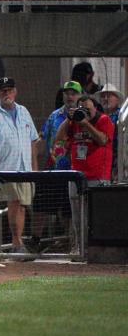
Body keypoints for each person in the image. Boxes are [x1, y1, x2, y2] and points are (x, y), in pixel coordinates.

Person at [0, 77, 39, 255]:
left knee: (21, 205)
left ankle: (16, 242)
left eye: (9, 89)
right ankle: (17, 242)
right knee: (15, 202)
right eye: (3, 90)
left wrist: (34, 166)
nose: (6, 93)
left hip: (25, 168)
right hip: (6, 167)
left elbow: (33, 140)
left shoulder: (24, 111)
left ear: (15, 91)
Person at [56, 95, 113, 253]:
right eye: (82, 109)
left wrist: (85, 123)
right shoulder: (74, 122)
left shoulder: (104, 120)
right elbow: (59, 138)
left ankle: (98, 250)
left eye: (88, 109)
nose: (85, 112)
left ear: (95, 108)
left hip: (98, 177)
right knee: (77, 216)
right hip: (77, 176)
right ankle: (81, 249)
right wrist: (69, 119)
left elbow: (102, 140)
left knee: (96, 216)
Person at [31, 80, 82, 252]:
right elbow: (41, 138)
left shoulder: (84, 116)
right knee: (41, 204)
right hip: (53, 168)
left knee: (70, 209)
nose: (70, 96)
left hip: (74, 171)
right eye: (67, 93)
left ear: (80, 96)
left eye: (73, 93)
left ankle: (72, 242)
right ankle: (35, 241)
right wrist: (35, 164)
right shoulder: (54, 116)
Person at [95, 83, 124, 181]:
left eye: (109, 95)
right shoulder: (97, 117)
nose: (106, 98)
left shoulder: (122, 117)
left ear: (117, 99)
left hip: (117, 162)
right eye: (103, 96)